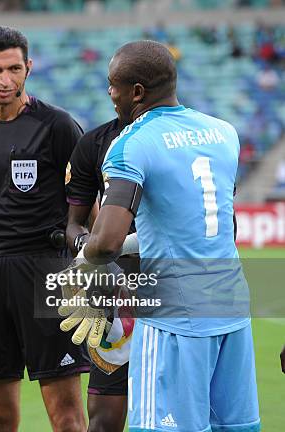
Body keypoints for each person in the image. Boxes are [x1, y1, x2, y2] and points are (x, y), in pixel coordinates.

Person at [66, 40, 260, 432]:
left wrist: (84, 264)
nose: (109, 93)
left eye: (113, 85)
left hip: (175, 318)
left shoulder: (131, 144)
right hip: (232, 311)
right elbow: (209, 225)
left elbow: (107, 242)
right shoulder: (223, 133)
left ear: (136, 92)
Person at [0, 26, 89, 431]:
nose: (4, 80)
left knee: (65, 414)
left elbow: (86, 207)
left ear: (29, 68)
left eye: (14, 69)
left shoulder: (58, 125)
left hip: (48, 270)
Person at [65, 116, 135, 432]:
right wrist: (87, 258)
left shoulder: (184, 138)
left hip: (173, 291)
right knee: (104, 418)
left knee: (172, 413)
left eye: (116, 84)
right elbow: (74, 224)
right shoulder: (94, 142)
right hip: (111, 292)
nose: (110, 91)